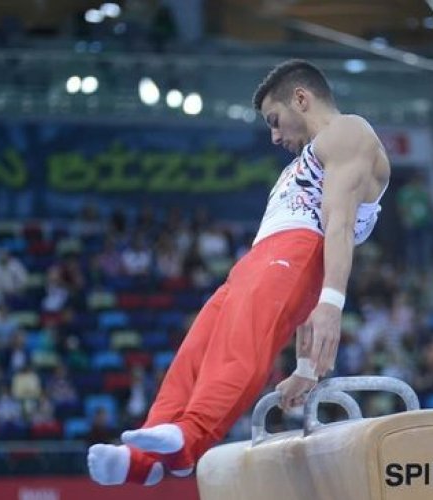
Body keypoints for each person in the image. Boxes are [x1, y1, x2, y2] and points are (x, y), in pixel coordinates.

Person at [87, 59, 391, 487]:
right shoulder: (306, 159)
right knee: (195, 352)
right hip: (261, 261)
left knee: (239, 347)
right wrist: (306, 365)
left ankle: (190, 436)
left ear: (301, 99)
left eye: (275, 120)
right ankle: (146, 459)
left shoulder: (349, 132)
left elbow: (336, 226)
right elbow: (301, 292)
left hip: (296, 252)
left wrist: (332, 303)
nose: (274, 135)